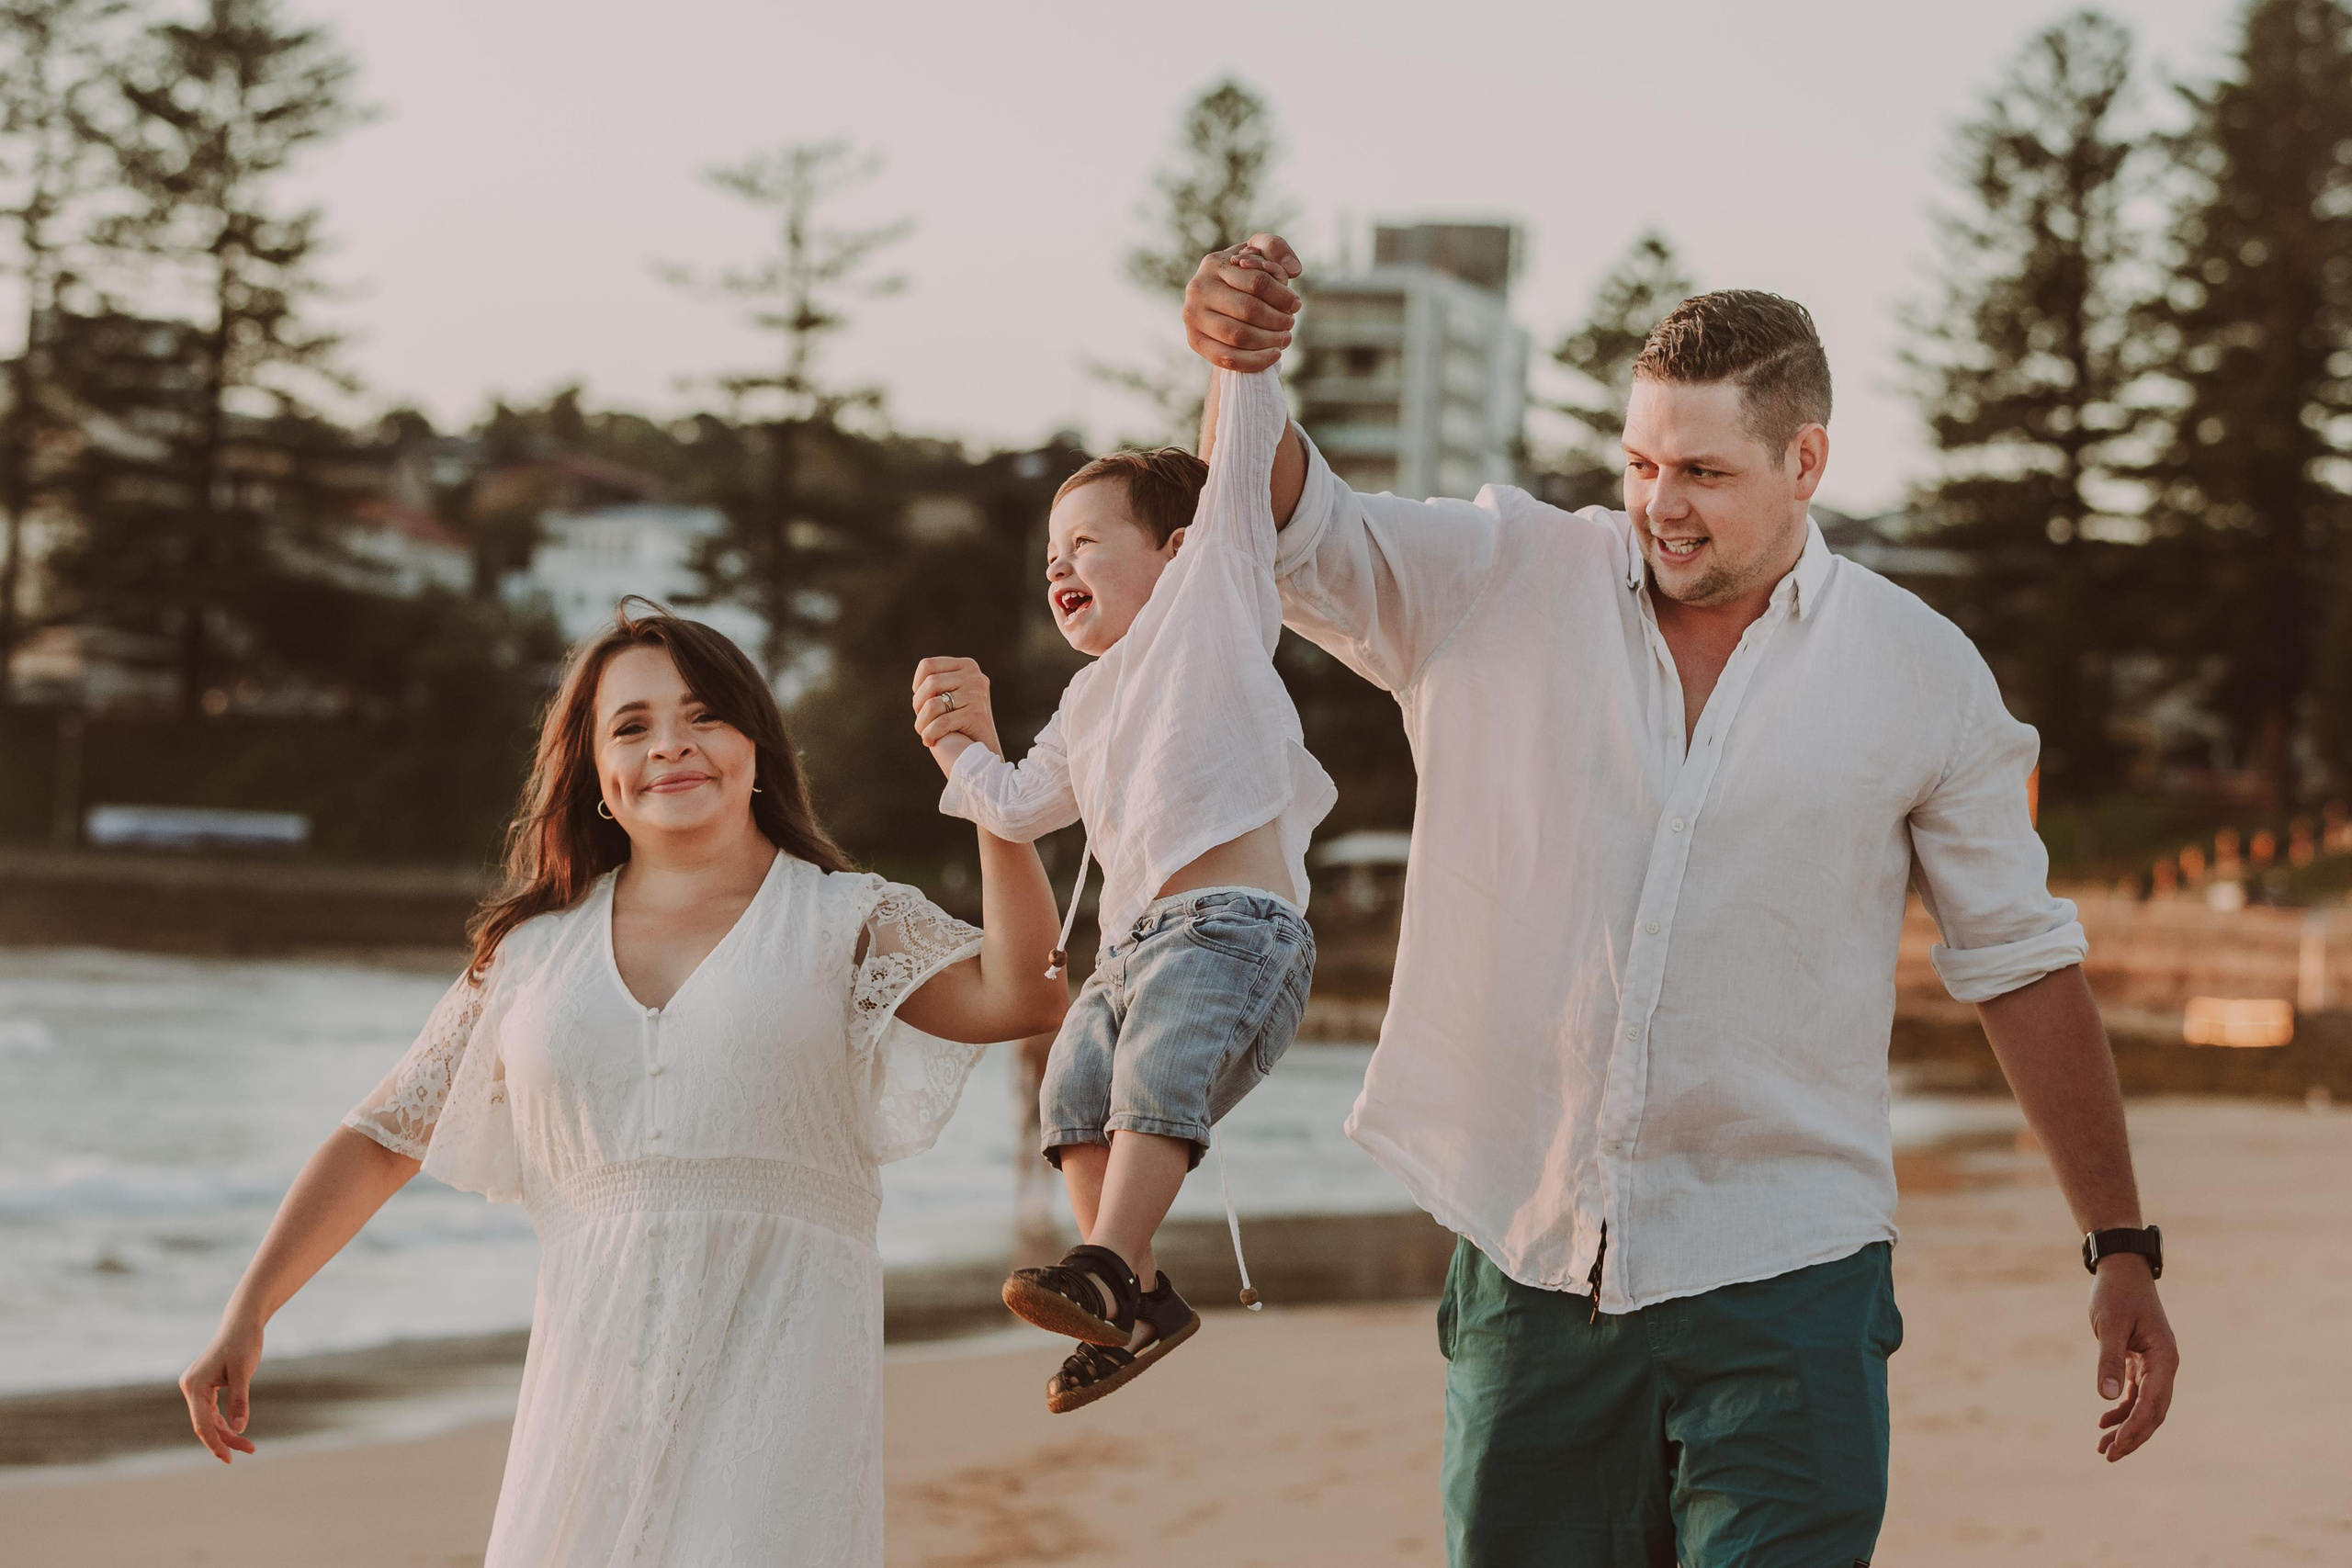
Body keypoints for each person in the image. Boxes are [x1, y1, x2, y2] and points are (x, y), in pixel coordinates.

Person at [1181, 238, 2179, 1566]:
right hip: (1528, 1272)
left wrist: (2119, 1240)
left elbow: (2021, 962)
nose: (1664, 505)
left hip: (1790, 1281)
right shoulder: (1497, 577)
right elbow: (1294, 517)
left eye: (1706, 471)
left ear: (1807, 463)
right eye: (1644, 465)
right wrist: (1237, 366)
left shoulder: (1920, 674)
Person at [176, 604, 1067, 1568]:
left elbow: (1027, 993)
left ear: (757, 744)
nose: (669, 747)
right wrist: (250, 1308)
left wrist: (985, 781)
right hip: (587, 1399)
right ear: (595, 772)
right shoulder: (532, 954)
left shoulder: (845, 919)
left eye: (702, 716)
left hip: (782, 1389)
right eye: (631, 726)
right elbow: (385, 1134)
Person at [910, 366, 1333, 1413]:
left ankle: (1102, 1260)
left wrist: (1241, 356)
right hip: (1130, 951)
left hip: (1234, 930)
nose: (1060, 567)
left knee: (1156, 1075)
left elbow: (1237, 469)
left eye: (1086, 544)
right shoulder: (1085, 699)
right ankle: (1133, 1299)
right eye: (1051, 557)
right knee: (1071, 1096)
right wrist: (954, 745)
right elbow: (1012, 807)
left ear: (1181, 554)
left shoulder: (1212, 611)